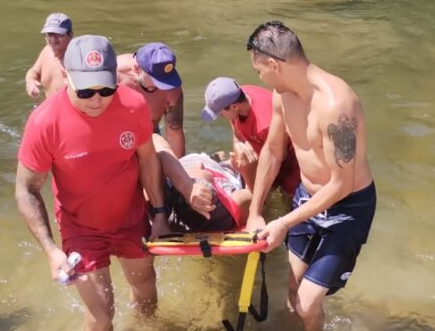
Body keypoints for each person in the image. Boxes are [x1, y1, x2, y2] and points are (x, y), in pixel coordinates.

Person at [15, 35, 169, 331]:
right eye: (86, 91)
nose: (97, 100)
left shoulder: (134, 105)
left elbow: (148, 159)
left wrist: (160, 213)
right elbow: (26, 189)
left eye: (106, 89)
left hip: (131, 217)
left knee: (146, 292)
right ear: (65, 75)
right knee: (101, 316)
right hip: (81, 227)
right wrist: (51, 250)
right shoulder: (45, 122)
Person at [243, 21, 377, 331]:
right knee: (293, 290)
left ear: (274, 64)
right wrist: (255, 212)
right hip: (307, 197)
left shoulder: (337, 106)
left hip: (347, 207)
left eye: (259, 71)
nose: (259, 78)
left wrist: (283, 222)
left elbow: (341, 185)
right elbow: (273, 151)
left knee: (306, 303)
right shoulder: (282, 95)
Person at [201, 77, 299, 196]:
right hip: (263, 147)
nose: (220, 117)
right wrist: (238, 150)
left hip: (289, 163)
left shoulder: (265, 126)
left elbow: (277, 157)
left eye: (221, 113)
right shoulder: (237, 94)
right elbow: (235, 129)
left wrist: (250, 173)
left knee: (281, 197)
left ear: (234, 107)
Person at [152, 134, 251, 232]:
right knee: (238, 163)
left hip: (178, 167)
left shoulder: (163, 189)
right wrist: (246, 172)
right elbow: (253, 201)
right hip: (221, 171)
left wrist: (185, 185)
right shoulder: (229, 206)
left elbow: (155, 138)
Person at [117, 43, 185, 158]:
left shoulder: (172, 90)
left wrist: (179, 165)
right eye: (157, 81)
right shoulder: (113, 73)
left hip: (149, 137)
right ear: (137, 69)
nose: (163, 87)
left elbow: (174, 131)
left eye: (167, 80)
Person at [24, 13, 74, 99]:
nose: (53, 39)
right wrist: (31, 82)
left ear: (70, 35)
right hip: (49, 105)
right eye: (50, 34)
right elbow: (33, 72)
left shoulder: (78, 58)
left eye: (59, 34)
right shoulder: (47, 51)